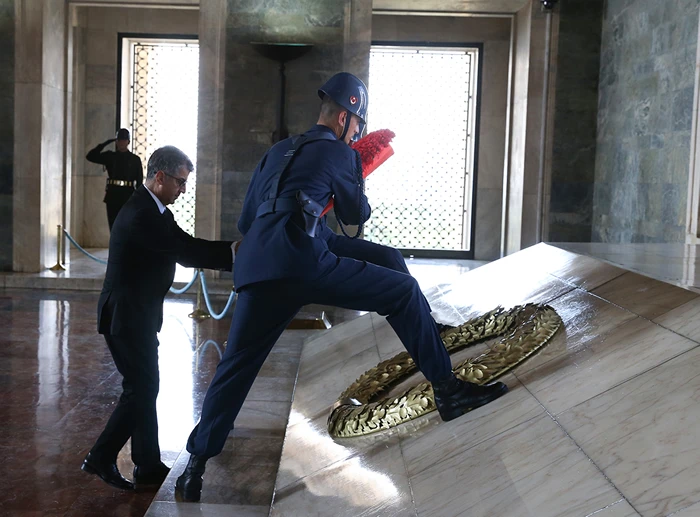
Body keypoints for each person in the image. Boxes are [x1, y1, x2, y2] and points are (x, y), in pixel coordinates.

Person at [175, 72, 508, 502]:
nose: (358, 132)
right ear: (348, 119)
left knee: (237, 367)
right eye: (359, 125)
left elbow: (247, 223)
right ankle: (449, 391)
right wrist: (357, 169)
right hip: (302, 259)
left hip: (259, 264)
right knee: (401, 292)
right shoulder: (340, 153)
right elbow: (356, 212)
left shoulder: (277, 150)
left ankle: (195, 467)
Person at [81, 146, 236, 491]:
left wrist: (230, 251)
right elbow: (185, 252)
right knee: (143, 388)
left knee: (143, 388)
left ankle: (148, 465)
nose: (183, 190)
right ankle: (101, 457)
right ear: (160, 177)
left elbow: (183, 241)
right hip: (126, 316)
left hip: (137, 314)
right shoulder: (141, 214)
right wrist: (236, 254)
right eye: (180, 182)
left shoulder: (156, 209)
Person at [86, 128, 144, 230]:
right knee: (113, 225)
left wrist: (138, 198)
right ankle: (114, 245)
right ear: (116, 141)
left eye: (124, 140)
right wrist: (104, 143)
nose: (121, 142)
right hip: (113, 194)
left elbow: (139, 180)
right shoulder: (110, 156)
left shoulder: (135, 159)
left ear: (128, 142)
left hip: (128, 195)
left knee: (127, 224)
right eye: (119, 140)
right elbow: (90, 156)